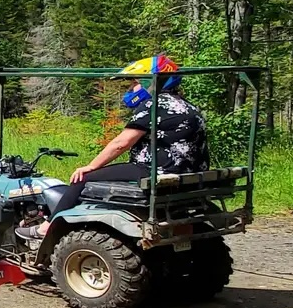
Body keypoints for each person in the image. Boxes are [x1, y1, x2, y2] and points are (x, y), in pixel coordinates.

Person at [28, 54, 210, 236]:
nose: (131, 88)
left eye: (134, 83)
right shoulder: (189, 106)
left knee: (81, 178)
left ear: (152, 82)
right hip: (188, 173)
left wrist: (90, 166)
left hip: (156, 171)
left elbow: (121, 143)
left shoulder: (153, 105)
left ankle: (48, 227)